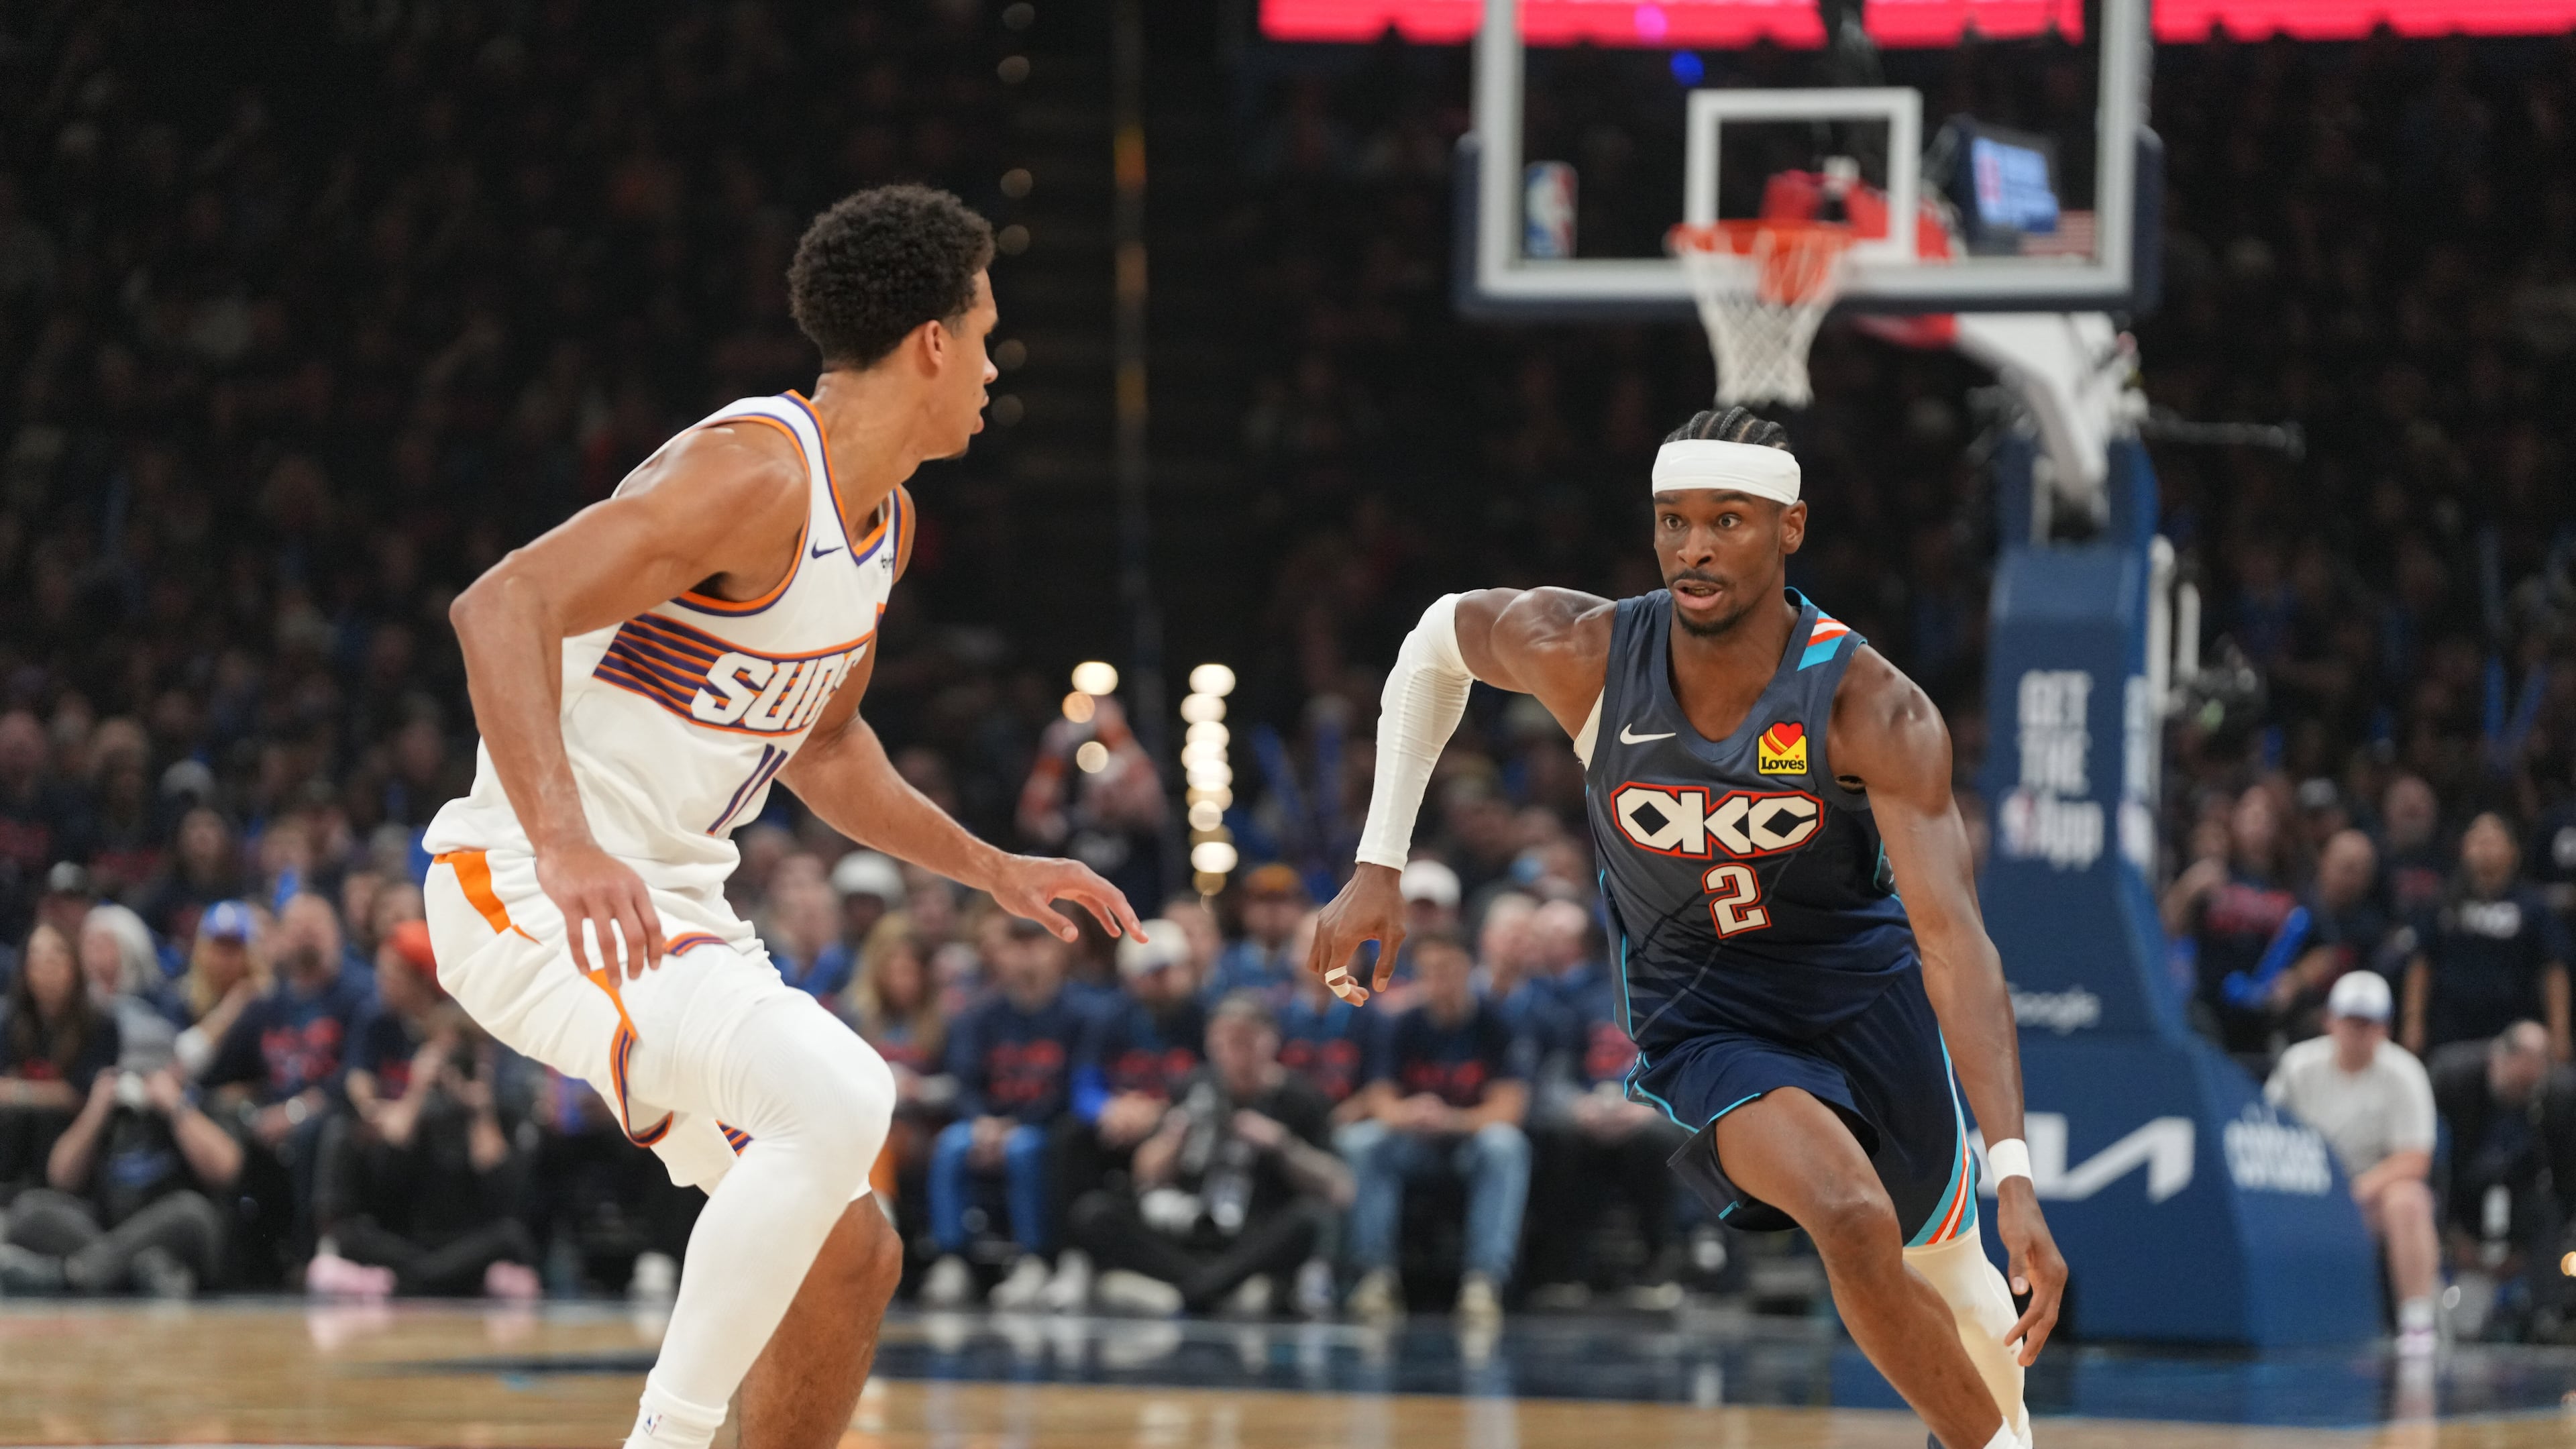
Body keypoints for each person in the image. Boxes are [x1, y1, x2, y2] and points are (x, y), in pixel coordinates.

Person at [425, 184, 1142, 1449]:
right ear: (932, 340)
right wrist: (566, 841)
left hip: (673, 912)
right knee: (841, 1096)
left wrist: (988, 867)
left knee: (849, 1255)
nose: (992, 362)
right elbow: (501, 605)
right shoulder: (754, 473)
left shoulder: (885, 525)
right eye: (985, 331)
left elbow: (824, 743)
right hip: (528, 892)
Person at [1307, 409, 2063, 1449]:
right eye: (1673, 522)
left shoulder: (1871, 706)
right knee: (1848, 1215)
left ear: (1790, 528)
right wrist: (1378, 864)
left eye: (1727, 522)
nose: (1694, 549)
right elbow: (1435, 643)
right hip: (1710, 1013)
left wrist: (2014, 1170)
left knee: (1958, 1285)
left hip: (1862, 993)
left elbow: (1955, 943)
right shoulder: (1585, 652)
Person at [1068, 992, 1351, 1316]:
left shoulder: (1301, 1097)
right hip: (1190, 1227)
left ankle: (1186, 1291)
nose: (1235, 1054)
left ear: (1271, 1041)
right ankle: (1219, 1289)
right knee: (1094, 1212)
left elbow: (1340, 1188)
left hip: (1255, 1234)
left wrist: (1283, 1145)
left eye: (1245, 1042)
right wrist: (1173, 1140)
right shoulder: (1193, 1086)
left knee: (1311, 1219)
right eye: (1224, 1042)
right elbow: (1147, 1176)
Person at [308, 920, 541, 1299]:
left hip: (463, 1230)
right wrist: (415, 1091)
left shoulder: (489, 1092)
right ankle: (451, 1278)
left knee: (511, 1238)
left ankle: (404, 1280)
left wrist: (478, 1108)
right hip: (408, 1227)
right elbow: (389, 1161)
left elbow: (505, 1198)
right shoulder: (378, 1024)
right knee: (340, 1141)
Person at [1338, 930, 1529, 1327]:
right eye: (1429, 971)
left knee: (1505, 1146)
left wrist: (1453, 1120)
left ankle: (1484, 1281)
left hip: (1468, 1145)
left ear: (1469, 969)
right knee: (1361, 1143)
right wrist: (1410, 1113)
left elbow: (1510, 1107)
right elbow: (1379, 1098)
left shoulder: (1496, 1024)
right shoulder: (1401, 1024)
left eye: (1448, 969)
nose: (1439, 980)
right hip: (1415, 1143)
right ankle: (1375, 1276)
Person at [2263, 971, 2440, 1353]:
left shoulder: (2405, 1074)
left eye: (2368, 1023)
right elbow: (2266, 1131)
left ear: (2385, 1029)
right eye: (2350, 1021)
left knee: (2408, 1199)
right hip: (2306, 1189)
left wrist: (2353, 1191)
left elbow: (2415, 1158)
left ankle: (2417, 1322)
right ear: (2330, 1021)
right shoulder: (2298, 1066)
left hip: (2368, 1197)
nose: (2358, 1032)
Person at [922, 916, 1087, 1308]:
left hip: (1043, 1125)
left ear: (1059, 952)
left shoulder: (1081, 1015)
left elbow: (1074, 1088)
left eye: (1038, 944)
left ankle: (1035, 1258)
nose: (1027, 956)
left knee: (1025, 1149)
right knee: (950, 1145)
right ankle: (952, 1258)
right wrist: (983, 1122)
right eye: (1017, 945)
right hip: (985, 1124)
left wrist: (1016, 1125)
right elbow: (963, 1081)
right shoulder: (980, 1015)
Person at [1051, 922, 1206, 1307]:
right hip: (1122, 1125)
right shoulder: (1110, 1017)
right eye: (1153, 973)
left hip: (1179, 1128)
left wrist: (1163, 1114)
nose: (1164, 981)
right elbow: (1084, 1083)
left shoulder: (1203, 1018)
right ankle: (1075, 1259)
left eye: (1171, 970)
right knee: (1071, 1138)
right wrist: (1109, 1109)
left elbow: (1212, 1086)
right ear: (1131, 978)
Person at [0, 1061, 237, 1297]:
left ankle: (71, 1276)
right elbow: (61, 1177)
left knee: (192, 1213)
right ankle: (133, 1275)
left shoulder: (193, 1100)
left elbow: (226, 1170)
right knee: (30, 1208)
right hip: (107, 1231)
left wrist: (175, 1106)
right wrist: (96, 1110)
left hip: (170, 1235)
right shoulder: (113, 1110)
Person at [2400, 813, 2570, 1062]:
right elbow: (2421, 962)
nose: (2483, 848)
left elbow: (2553, 969)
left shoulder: (2532, 906)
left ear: (2513, 851)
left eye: (2492, 840)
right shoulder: (2442, 901)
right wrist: (2413, 1022)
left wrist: (2559, 1032)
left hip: (2514, 1030)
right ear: (2464, 849)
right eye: (2477, 839)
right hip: (2451, 1030)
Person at [2426, 1023, 2576, 1300]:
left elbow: (2566, 1182)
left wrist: (2525, 1252)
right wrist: (2452, 1234)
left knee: (2548, 1217)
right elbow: (2430, 1165)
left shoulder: (2561, 1098)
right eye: (2515, 1085)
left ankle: (2546, 1315)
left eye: (2529, 1088)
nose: (2520, 1094)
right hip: (2459, 1184)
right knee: (2423, 1203)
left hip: (2520, 1185)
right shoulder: (2451, 1079)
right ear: (2497, 1058)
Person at [2163, 785, 2303, 1057]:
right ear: (2234, 820)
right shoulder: (2216, 873)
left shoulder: (2289, 883)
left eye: (2267, 816)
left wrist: (2294, 980)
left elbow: (2314, 949)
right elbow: (2166, 929)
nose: (2258, 823)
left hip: (2263, 1010)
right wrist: (2188, 889)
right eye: (2250, 813)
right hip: (2209, 1004)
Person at [2225, 828, 2391, 1049]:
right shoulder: (2293, 910)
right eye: (2347, 868)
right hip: (2285, 1017)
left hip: (2344, 1020)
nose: (2353, 879)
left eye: (2362, 871)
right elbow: (2262, 986)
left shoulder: (2372, 926)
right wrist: (2298, 979)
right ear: (2325, 862)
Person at [0, 923, 121, 1185]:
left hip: (72, 1147)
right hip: (14, 1146)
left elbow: (79, 1095)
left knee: (49, 1120)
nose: (45, 968)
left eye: (55, 958)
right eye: (36, 958)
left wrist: (19, 1091)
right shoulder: (12, 1019)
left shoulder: (99, 1023)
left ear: (75, 966)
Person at [78, 902, 178, 1073]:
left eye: (103, 945)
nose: (93, 954)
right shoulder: (79, 1002)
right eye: (89, 944)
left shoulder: (160, 999)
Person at [1204, 865, 1309, 1001]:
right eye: (1262, 901)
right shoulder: (1226, 962)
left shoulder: (1309, 961)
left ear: (1300, 908)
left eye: (1281, 900)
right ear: (1245, 909)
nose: (1272, 910)